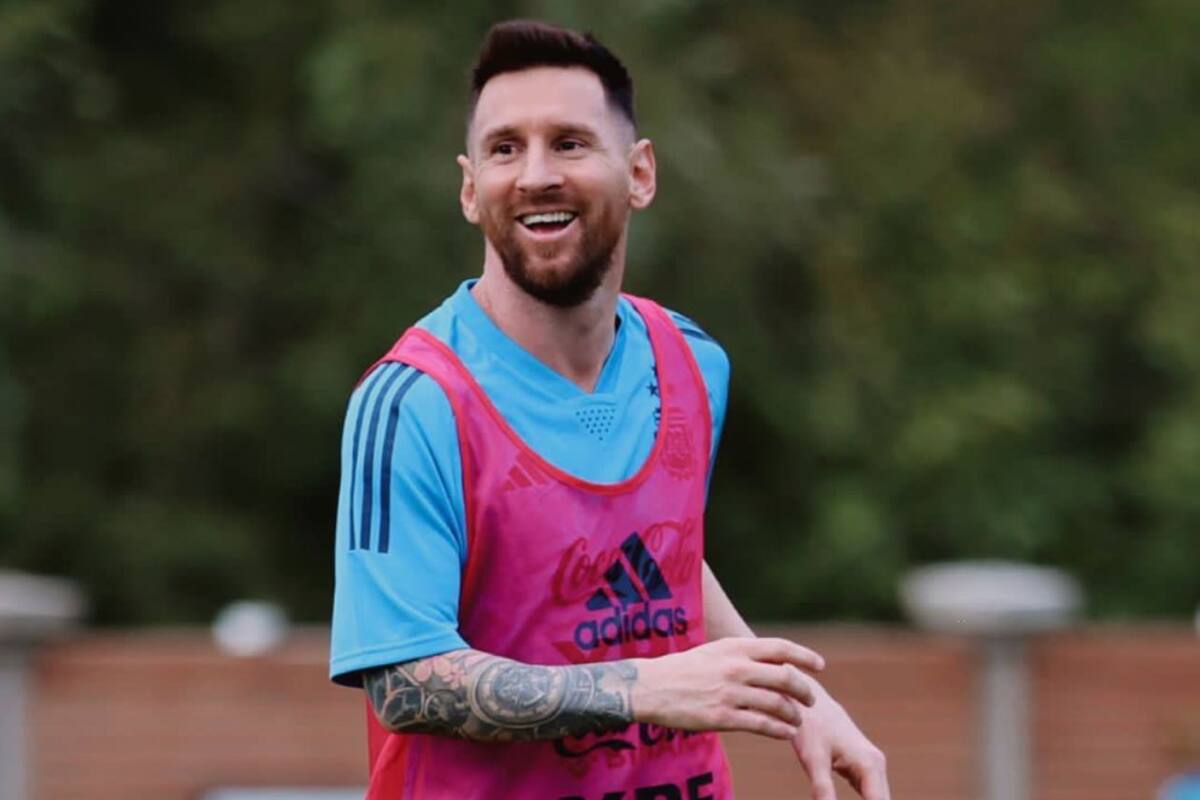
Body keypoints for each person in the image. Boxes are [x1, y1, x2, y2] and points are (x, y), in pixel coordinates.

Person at [330, 19, 889, 800]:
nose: (534, 175)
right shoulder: (415, 402)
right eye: (504, 149)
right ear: (468, 188)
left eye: (568, 142)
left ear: (640, 173)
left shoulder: (692, 362)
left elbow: (659, 560)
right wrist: (639, 688)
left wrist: (800, 704)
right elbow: (403, 680)